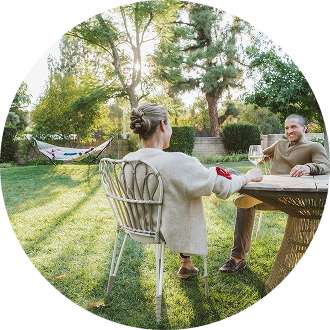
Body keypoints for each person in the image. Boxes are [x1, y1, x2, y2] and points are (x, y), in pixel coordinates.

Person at [124, 103, 263, 279]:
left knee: (177, 196)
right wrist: (248, 176)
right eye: (170, 125)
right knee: (185, 199)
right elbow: (223, 187)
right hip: (166, 228)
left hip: (137, 225)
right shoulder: (176, 162)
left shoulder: (128, 160)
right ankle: (186, 263)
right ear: (162, 125)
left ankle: (186, 264)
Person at [219, 114, 330, 273]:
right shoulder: (279, 144)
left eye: (293, 127)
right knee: (242, 198)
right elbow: (260, 155)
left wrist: (308, 167)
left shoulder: (314, 147)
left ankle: (239, 186)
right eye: (286, 128)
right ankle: (237, 259)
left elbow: (325, 166)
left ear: (304, 128)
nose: (289, 131)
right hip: (269, 195)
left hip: (295, 200)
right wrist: (261, 158)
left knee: (244, 198)